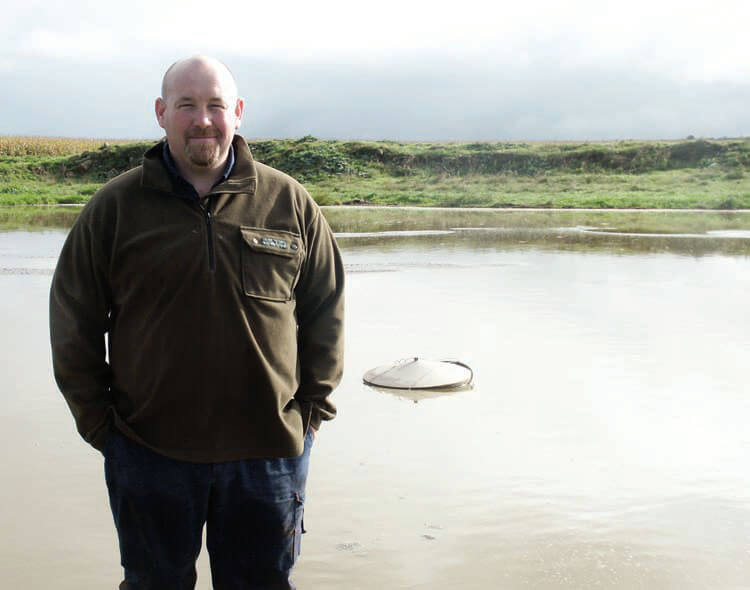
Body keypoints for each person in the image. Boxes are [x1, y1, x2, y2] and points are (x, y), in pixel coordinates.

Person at [49, 55, 345, 589]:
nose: (202, 119)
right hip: (149, 454)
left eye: (214, 105)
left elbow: (326, 311)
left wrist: (311, 415)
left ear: (238, 112)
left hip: (267, 455)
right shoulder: (114, 209)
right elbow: (74, 323)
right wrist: (102, 426)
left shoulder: (288, 202)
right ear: (162, 113)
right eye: (186, 105)